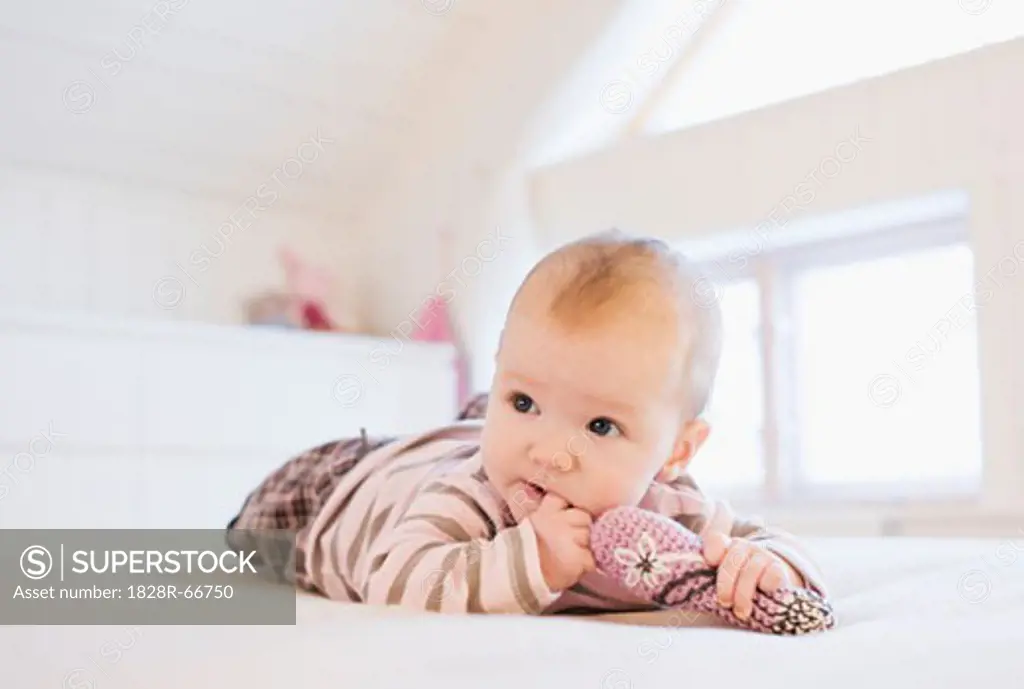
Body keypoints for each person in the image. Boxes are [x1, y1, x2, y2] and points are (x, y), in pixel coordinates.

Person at [227, 230, 828, 621]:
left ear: (676, 452)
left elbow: (766, 542)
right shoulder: (476, 497)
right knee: (237, 550)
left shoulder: (671, 513)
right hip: (337, 492)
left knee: (495, 431)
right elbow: (394, 575)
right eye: (522, 400)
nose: (551, 453)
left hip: (451, 447)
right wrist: (530, 561)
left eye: (599, 426)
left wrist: (768, 567)